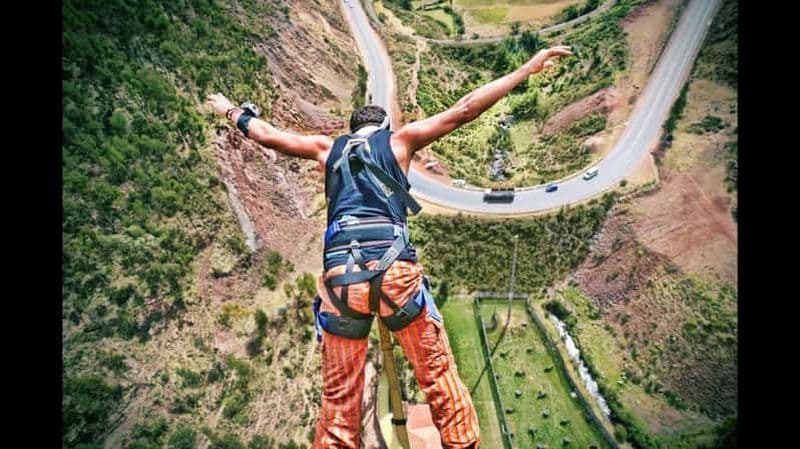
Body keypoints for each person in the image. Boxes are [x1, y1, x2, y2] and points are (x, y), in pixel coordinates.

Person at [206, 44, 572, 449]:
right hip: (394, 270)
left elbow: (267, 135)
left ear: (352, 128)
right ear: (381, 126)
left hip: (342, 279)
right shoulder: (399, 141)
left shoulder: (327, 148)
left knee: (339, 400)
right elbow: (466, 109)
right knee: (436, 375)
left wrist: (229, 110)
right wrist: (528, 67)